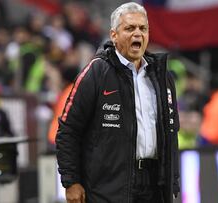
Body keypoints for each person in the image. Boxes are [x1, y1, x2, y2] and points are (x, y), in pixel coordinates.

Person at [55, 2, 180, 203]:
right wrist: (71, 181)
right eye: (130, 28)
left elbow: (171, 133)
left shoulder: (162, 77)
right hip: (109, 186)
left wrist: (172, 180)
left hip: (154, 185)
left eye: (143, 28)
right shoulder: (96, 72)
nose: (138, 34)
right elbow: (68, 130)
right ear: (114, 35)